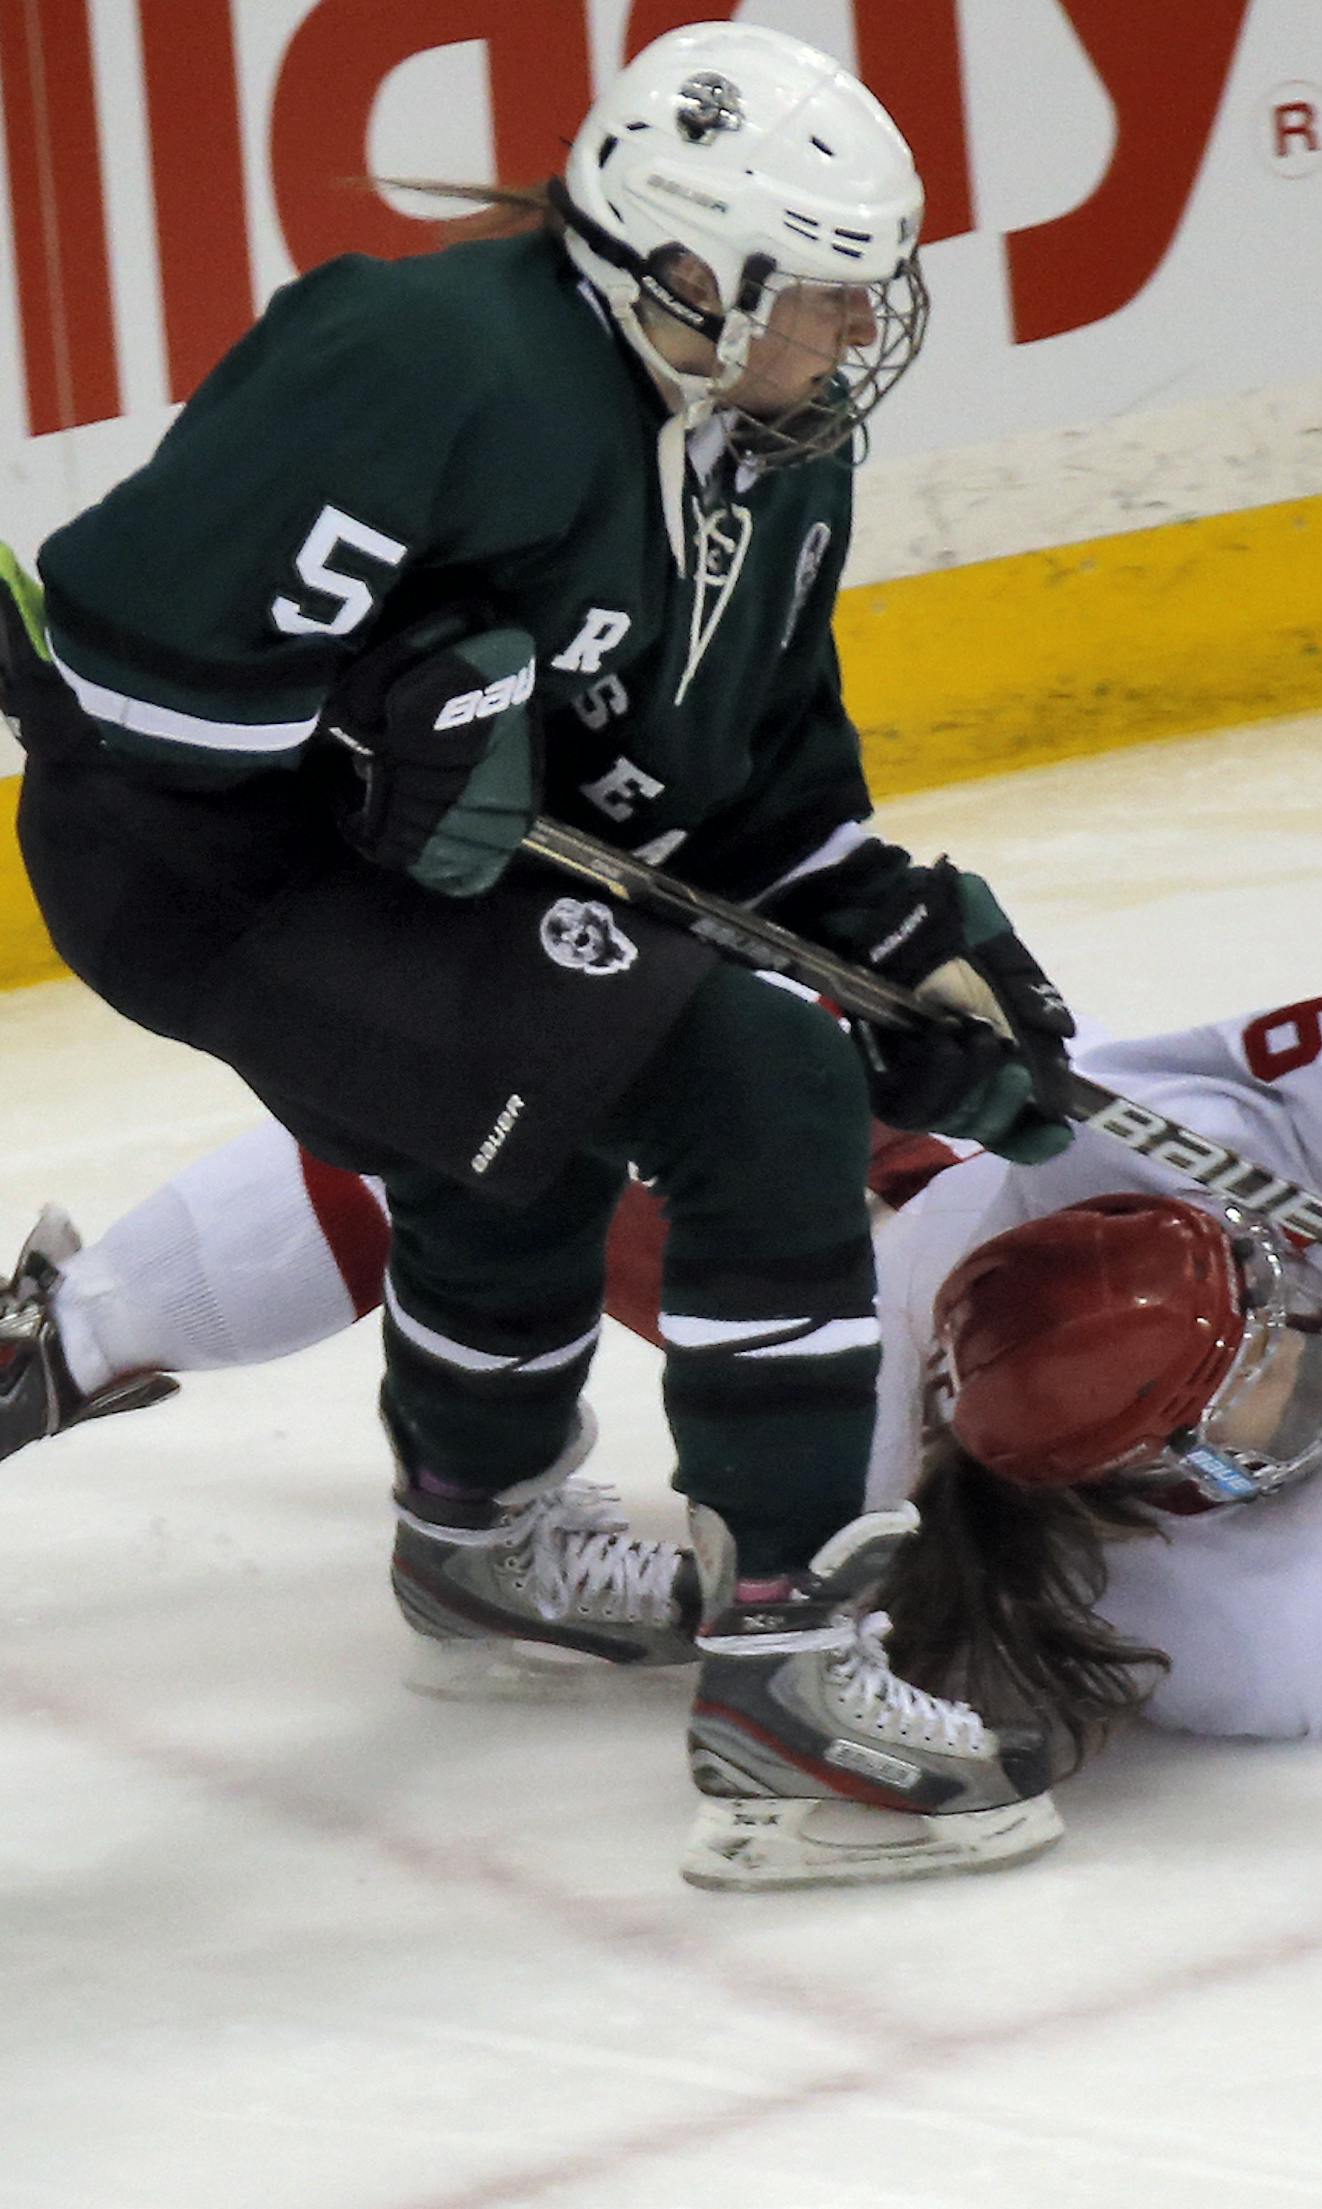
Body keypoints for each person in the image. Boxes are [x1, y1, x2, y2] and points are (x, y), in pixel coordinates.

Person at [0, 24, 1080, 1890]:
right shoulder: (422, 356)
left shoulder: (777, 458)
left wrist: (906, 943)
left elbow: (744, 803)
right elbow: (104, 668)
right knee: (747, 1076)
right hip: (202, 867)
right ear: (686, 269)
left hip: (405, 881)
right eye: (821, 297)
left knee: (532, 1105)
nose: (854, 336)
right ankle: (788, 1681)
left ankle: (477, 1527)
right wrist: (373, 727)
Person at [1, 968, 1322, 1772]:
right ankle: (75, 1340)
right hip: (857, 1258)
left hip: (915, 1186)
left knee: (519, 1079)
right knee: (491, 1106)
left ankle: (70, 1332)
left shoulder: (1137, 1169)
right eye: (1260, 1399)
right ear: (1162, 1496)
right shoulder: (1268, 1640)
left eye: (1270, 1301)